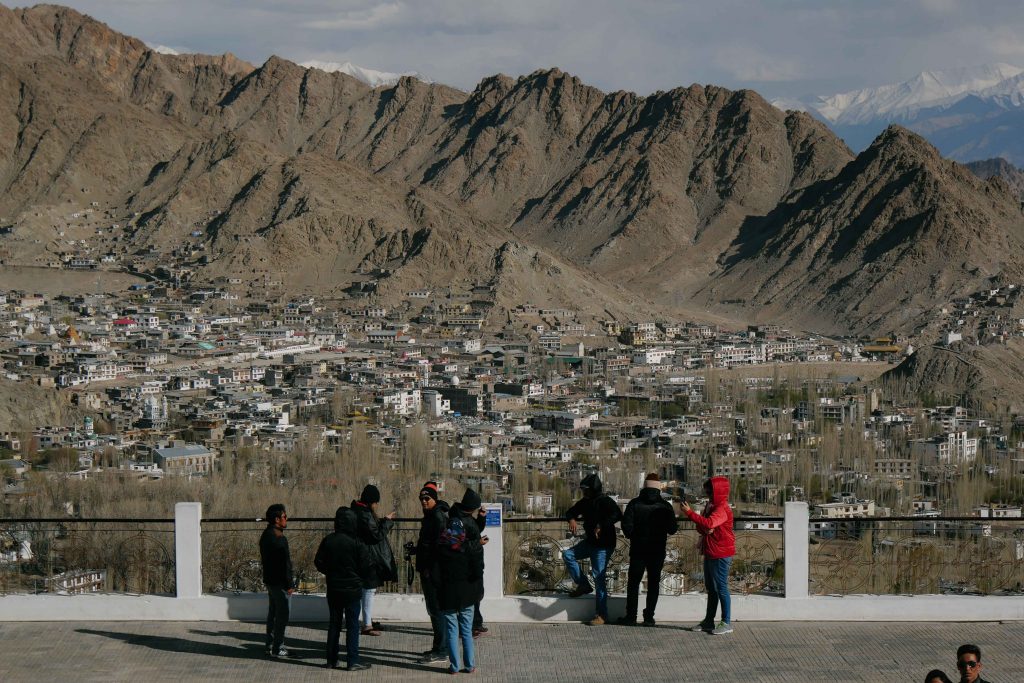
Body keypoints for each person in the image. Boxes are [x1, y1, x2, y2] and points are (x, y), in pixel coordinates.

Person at [314, 506, 372, 671]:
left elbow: (318, 562)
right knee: (353, 626)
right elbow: (366, 567)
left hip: (334, 588)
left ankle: (331, 660)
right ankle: (352, 661)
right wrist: (357, 577)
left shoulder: (328, 540)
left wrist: (331, 572)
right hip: (353, 590)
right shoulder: (357, 542)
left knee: (334, 624)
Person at [434, 488, 485, 674]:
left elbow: (436, 573)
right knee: (466, 630)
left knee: (452, 630)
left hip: (448, 593)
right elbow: (477, 568)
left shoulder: (441, 549)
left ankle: (454, 666)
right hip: (467, 592)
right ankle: (469, 665)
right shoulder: (469, 550)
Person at [618, 472, 678, 627]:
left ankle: (631, 616)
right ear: (658, 489)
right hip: (657, 550)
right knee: (653, 584)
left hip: (638, 550)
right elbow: (672, 529)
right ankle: (649, 617)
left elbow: (626, 525)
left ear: (644, 487)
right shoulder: (665, 506)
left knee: (633, 583)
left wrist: (634, 536)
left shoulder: (634, 503)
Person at [563, 472, 622, 626]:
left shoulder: (606, 501)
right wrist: (571, 519)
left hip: (603, 546)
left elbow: (617, 514)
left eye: (586, 490)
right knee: (568, 554)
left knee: (599, 578)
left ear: (593, 489)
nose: (584, 492)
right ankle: (583, 584)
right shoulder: (585, 502)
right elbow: (571, 511)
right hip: (590, 543)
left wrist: (601, 525)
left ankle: (602, 615)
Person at [682, 477, 736, 635]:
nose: (707, 494)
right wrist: (705, 526)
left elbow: (710, 524)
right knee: (711, 588)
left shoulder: (722, 508)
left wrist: (690, 513)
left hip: (721, 553)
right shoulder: (711, 506)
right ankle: (708, 621)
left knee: (721, 588)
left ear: (717, 491)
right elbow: (704, 526)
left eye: (710, 491)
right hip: (711, 550)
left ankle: (726, 622)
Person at [351, 484, 398, 637]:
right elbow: (376, 535)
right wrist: (387, 521)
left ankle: (366, 620)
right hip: (368, 558)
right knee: (369, 590)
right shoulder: (365, 514)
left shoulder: (357, 511)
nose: (377, 505)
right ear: (371, 501)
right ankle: (366, 625)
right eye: (376, 502)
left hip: (361, 556)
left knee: (366, 590)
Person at [413, 481, 451, 664]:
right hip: (430, 570)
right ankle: (439, 647)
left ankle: (442, 649)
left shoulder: (437, 518)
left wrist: (429, 569)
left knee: (437, 611)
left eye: (427, 498)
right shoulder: (431, 516)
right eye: (421, 498)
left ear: (434, 499)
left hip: (434, 573)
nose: (423, 501)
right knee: (434, 610)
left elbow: (439, 548)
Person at [259, 503, 294, 658]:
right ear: (276, 519)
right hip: (280, 584)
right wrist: (289, 584)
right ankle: (278, 647)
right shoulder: (280, 539)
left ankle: (270, 644)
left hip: (270, 581)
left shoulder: (266, 535)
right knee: (282, 616)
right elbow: (284, 565)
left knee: (273, 614)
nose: (286, 519)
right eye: (284, 517)